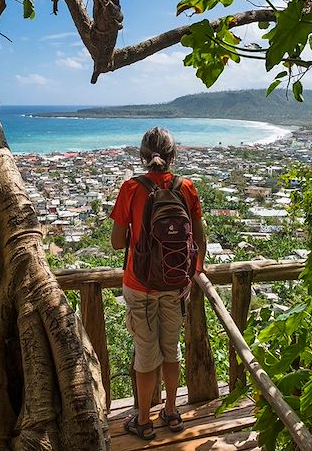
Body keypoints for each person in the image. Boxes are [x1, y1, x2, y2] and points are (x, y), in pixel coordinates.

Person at [110, 127, 206, 441]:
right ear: (172, 155)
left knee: (145, 352)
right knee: (171, 351)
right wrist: (193, 274)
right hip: (176, 284)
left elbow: (115, 242)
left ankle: (143, 420)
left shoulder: (131, 188)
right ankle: (172, 411)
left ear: (142, 155)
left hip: (139, 283)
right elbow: (199, 237)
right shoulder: (186, 187)